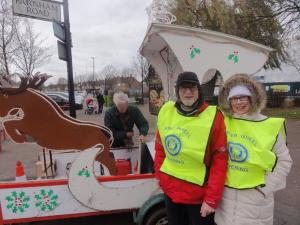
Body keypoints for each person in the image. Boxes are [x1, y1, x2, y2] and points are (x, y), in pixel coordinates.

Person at [215, 74, 292, 225]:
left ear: (253, 98)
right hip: (226, 201)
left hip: (255, 202)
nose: (239, 102)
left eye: (243, 97)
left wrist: (265, 188)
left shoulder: (268, 126)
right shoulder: (222, 122)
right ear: (228, 101)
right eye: (234, 98)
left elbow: (284, 161)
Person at [154, 71, 228, 225]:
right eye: (183, 88)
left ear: (198, 90)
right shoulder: (167, 111)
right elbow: (160, 148)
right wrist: (161, 178)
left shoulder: (213, 116)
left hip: (199, 198)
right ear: (177, 91)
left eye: (192, 88)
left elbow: (220, 161)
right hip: (172, 192)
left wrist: (211, 199)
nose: (188, 92)